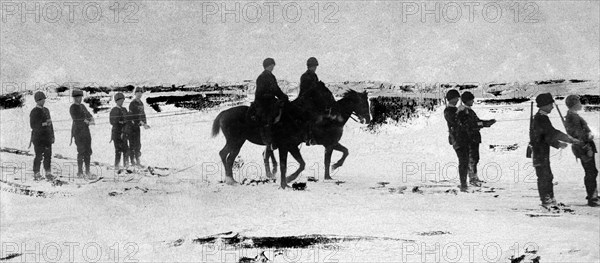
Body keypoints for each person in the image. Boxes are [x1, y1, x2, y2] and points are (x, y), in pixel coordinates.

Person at [531, 93, 580, 208]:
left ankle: (550, 199)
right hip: (539, 152)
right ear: (544, 105)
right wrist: (567, 140)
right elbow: (550, 133)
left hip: (541, 151)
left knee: (547, 175)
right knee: (544, 176)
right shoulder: (540, 118)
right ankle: (546, 200)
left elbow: (548, 134)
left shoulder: (542, 117)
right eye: (550, 105)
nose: (552, 107)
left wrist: (560, 142)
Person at [455, 91, 496, 191]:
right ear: (467, 100)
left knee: (475, 158)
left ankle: (474, 177)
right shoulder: (463, 111)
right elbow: (471, 124)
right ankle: (472, 179)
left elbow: (475, 122)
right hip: (469, 139)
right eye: (471, 99)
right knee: (472, 159)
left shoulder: (468, 110)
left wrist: (485, 123)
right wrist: (485, 124)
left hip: (473, 138)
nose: (473, 101)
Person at [564, 95, 598, 207]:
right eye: (578, 101)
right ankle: (592, 198)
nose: (580, 103)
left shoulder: (573, 115)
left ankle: (592, 194)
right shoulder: (573, 117)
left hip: (583, 147)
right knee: (591, 172)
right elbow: (578, 135)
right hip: (583, 147)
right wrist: (588, 141)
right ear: (574, 104)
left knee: (591, 171)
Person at [297, 57, 336, 145]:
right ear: (309, 66)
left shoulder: (314, 76)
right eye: (313, 66)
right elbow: (306, 91)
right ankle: (309, 137)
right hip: (305, 100)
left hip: (313, 101)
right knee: (312, 115)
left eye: (315, 66)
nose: (314, 68)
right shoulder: (305, 76)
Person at [254, 58, 289, 149]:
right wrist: (271, 96)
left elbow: (276, 89)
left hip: (271, 101)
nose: (273, 67)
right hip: (263, 102)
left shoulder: (271, 76)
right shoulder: (262, 77)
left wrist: (283, 97)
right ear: (268, 66)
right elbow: (260, 92)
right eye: (272, 65)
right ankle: (269, 141)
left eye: (273, 65)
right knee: (269, 117)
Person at [29, 91, 55, 181]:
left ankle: (48, 173)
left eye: (44, 99)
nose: (43, 101)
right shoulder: (34, 112)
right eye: (41, 100)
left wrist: (52, 136)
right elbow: (33, 125)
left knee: (48, 155)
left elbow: (51, 125)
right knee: (39, 156)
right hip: (38, 138)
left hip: (47, 137)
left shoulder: (46, 110)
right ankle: (36, 173)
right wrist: (44, 124)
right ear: (37, 101)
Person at [70, 89, 95, 177]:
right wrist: (86, 121)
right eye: (77, 97)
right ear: (74, 98)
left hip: (86, 132)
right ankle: (80, 172)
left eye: (80, 97)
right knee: (81, 151)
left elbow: (88, 114)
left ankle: (87, 171)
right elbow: (76, 119)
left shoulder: (83, 106)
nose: (79, 99)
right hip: (78, 132)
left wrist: (91, 118)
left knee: (88, 151)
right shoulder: (73, 107)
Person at [129, 87, 150, 167]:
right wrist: (141, 122)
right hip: (132, 126)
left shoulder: (141, 103)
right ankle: (132, 162)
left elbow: (142, 114)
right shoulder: (132, 103)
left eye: (141, 93)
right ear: (135, 93)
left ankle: (138, 161)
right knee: (132, 144)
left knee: (138, 144)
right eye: (138, 93)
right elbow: (133, 116)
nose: (140, 94)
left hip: (137, 126)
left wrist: (145, 123)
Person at [109, 92, 130, 169]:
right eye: (120, 100)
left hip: (124, 132)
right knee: (118, 150)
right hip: (117, 133)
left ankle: (126, 166)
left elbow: (127, 118)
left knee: (126, 149)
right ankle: (117, 166)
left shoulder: (124, 109)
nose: (122, 102)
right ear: (116, 101)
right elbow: (112, 121)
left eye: (122, 100)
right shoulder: (114, 110)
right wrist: (120, 122)